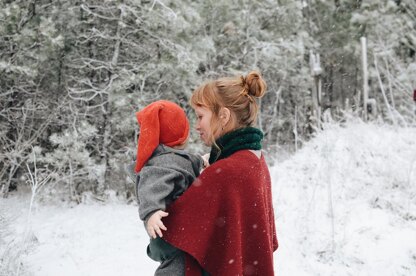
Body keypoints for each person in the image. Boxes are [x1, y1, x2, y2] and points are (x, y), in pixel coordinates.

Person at [150, 71, 278, 275]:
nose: (197, 125)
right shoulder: (256, 162)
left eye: (201, 117)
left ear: (224, 116)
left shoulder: (224, 173)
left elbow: (162, 243)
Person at [130, 100, 206, 275]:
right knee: (176, 267)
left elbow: (187, 162)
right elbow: (150, 185)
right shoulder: (162, 163)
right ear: (180, 133)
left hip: (176, 231)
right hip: (170, 230)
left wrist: (202, 161)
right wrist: (152, 211)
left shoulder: (172, 158)